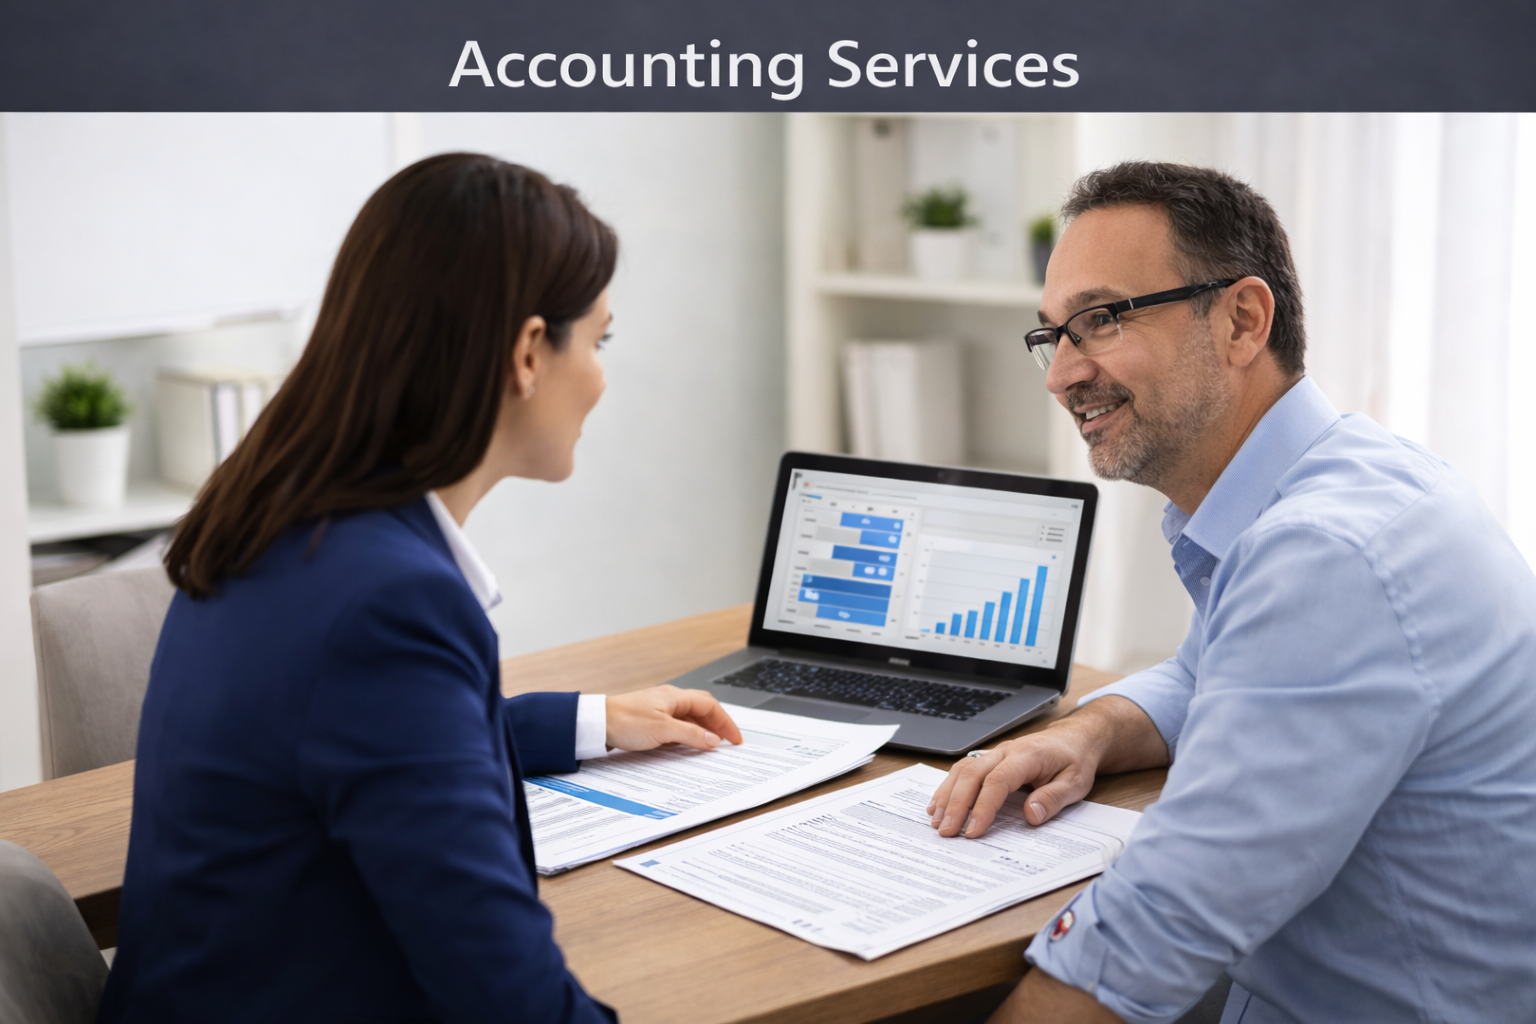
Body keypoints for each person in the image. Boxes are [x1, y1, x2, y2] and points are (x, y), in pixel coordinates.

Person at [98, 153, 743, 1023]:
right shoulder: (388, 605)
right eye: (600, 341)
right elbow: (508, 1001)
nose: (601, 376)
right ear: (527, 353)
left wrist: (591, 721)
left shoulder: (284, 518)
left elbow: (357, 740)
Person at [927, 162, 1536, 1023]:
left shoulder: (1326, 555)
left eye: (1100, 320)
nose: (1061, 374)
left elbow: (1163, 923)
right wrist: (1090, 732)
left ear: (1243, 320)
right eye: (1053, 334)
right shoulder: (1343, 477)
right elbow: (1204, 673)